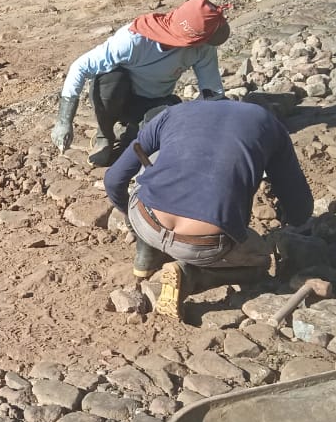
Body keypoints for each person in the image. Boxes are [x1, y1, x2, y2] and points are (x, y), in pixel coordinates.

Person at [104, 98, 314, 321]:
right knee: (262, 260)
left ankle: (146, 254)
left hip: (146, 219)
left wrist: (132, 222)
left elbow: (113, 180)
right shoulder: (271, 127)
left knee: (154, 161)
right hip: (204, 244)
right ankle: (191, 276)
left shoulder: (172, 113)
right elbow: (300, 211)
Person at [51, 0, 232, 165]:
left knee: (169, 116)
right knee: (109, 81)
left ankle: (133, 136)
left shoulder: (203, 48)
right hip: (121, 97)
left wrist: (208, 127)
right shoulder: (134, 39)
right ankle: (104, 136)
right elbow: (80, 67)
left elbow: (212, 92)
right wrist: (64, 121)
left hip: (155, 102)